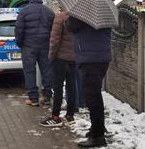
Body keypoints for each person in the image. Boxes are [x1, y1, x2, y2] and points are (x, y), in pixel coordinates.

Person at [67, 16, 111, 148]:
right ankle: (97, 129)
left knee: (92, 98)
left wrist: (71, 15)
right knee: (95, 95)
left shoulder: (82, 16)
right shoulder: (104, 15)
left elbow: (69, 26)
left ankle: (98, 137)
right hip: (101, 58)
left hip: (91, 59)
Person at [15, 0, 54, 106]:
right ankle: (47, 97)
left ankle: (33, 98)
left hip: (28, 46)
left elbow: (18, 30)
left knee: (29, 71)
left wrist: (19, 43)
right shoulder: (49, 12)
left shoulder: (23, 12)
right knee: (47, 71)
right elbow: (54, 31)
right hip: (45, 46)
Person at [39, 11, 76, 127]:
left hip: (60, 58)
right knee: (71, 86)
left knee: (58, 87)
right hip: (74, 58)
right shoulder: (78, 18)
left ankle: (55, 116)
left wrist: (51, 56)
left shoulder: (60, 17)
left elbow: (54, 40)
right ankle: (70, 115)